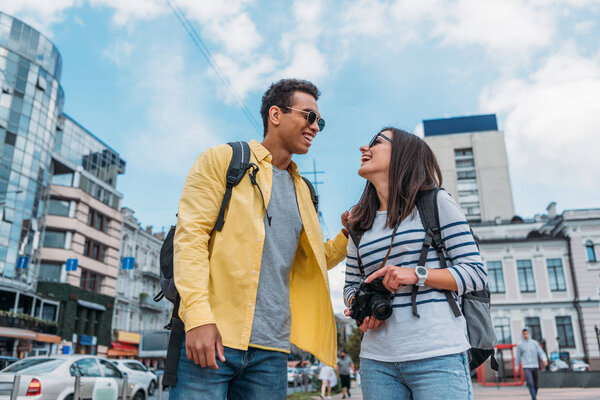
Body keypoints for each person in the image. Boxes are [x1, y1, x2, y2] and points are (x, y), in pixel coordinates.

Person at [171, 79, 348, 399]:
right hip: (211, 337)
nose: (316, 127)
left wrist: (349, 235)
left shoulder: (304, 191)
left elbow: (312, 260)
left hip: (271, 349)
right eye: (309, 116)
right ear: (276, 114)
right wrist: (197, 318)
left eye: (319, 121)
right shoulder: (223, 160)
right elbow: (191, 239)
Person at [343, 127, 488, 400]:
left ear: (403, 154)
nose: (365, 148)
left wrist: (415, 274)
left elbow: (476, 274)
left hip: (438, 356)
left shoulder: (436, 203)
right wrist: (360, 308)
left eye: (377, 143)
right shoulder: (359, 222)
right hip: (377, 363)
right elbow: (351, 285)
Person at [515, 328, 548, 400]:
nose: (525, 335)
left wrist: (544, 359)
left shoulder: (535, 343)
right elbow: (517, 357)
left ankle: (534, 396)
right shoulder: (520, 345)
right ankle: (534, 398)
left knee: (536, 384)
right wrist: (516, 366)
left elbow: (541, 352)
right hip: (526, 367)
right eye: (524, 334)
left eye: (526, 333)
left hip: (535, 366)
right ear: (522, 335)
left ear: (529, 334)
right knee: (530, 383)